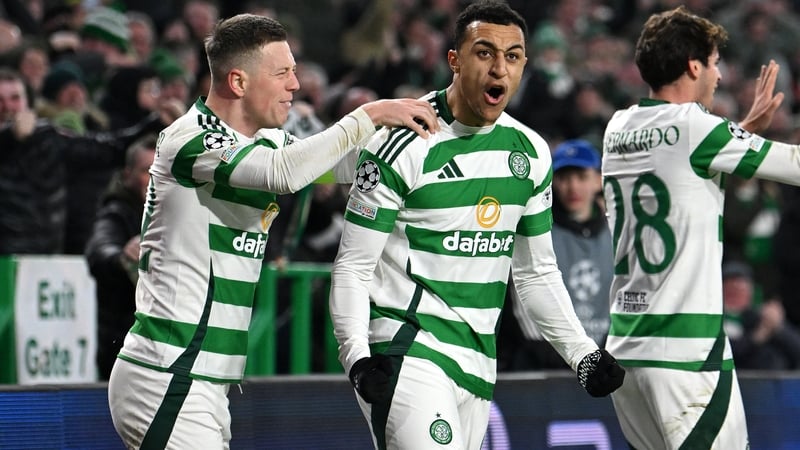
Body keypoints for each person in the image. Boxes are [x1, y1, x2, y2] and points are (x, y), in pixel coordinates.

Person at [106, 13, 439, 449]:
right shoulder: (190, 139)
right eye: (282, 73)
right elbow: (285, 174)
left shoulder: (265, 142)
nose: (295, 86)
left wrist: (435, 146)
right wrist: (371, 114)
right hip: (168, 373)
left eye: (295, 72)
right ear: (239, 82)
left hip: (202, 380)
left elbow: (343, 165)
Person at [328, 2, 625, 449]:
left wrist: (582, 353)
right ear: (455, 60)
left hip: (480, 361)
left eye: (512, 56)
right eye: (484, 53)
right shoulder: (404, 141)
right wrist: (357, 358)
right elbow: (352, 265)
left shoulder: (530, 153)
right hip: (407, 350)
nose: (499, 69)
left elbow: (535, 273)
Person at [601, 6, 800, 449]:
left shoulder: (617, 127)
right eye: (713, 63)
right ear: (693, 65)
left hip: (627, 351)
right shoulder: (698, 128)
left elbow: (678, 168)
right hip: (686, 354)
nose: (719, 75)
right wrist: (744, 136)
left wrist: (742, 131)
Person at [0, 67, 172, 255]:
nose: (8, 107)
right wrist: (8, 137)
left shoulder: (47, 139)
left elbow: (109, 150)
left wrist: (155, 123)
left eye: (15, 98)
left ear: (27, 103)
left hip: (42, 262)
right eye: (0, 100)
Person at [502, 139, 613, 371]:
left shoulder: (615, 231)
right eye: (564, 178)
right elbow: (523, 292)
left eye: (581, 177)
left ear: (598, 180)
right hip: (544, 361)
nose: (573, 187)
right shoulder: (536, 228)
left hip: (603, 358)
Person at [84, 134, 157, 380]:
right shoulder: (116, 212)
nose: (155, 179)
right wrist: (121, 255)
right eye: (147, 171)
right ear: (127, 175)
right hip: (124, 344)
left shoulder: (181, 213)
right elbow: (99, 249)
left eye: (161, 170)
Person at [722, 260, 800, 370]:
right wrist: (758, 337)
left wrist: (779, 327)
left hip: (775, 381)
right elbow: (728, 352)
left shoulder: (760, 317)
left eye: (741, 291)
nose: (736, 297)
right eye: (731, 292)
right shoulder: (718, 321)